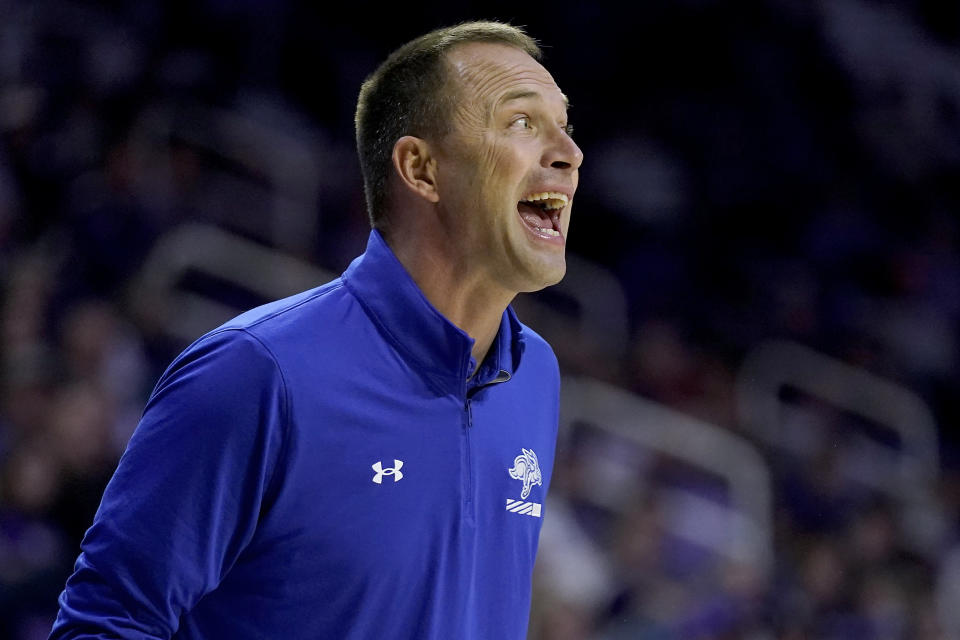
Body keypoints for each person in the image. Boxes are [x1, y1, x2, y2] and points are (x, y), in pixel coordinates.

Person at [50, 20, 582, 640]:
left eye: (564, 125)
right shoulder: (257, 372)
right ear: (421, 168)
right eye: (522, 122)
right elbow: (106, 624)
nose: (568, 153)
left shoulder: (533, 375)